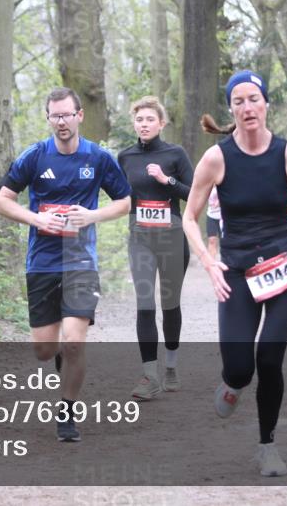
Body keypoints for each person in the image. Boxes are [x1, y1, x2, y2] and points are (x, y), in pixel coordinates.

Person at [182, 70, 287, 477]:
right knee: (241, 367)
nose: (247, 107)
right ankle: (231, 383)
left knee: (270, 359)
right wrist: (209, 263)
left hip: (285, 271)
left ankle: (267, 446)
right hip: (238, 273)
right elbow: (189, 217)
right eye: (239, 101)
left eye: (254, 99)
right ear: (232, 109)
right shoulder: (217, 158)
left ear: (266, 104)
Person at [0, 87, 132, 442]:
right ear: (48, 118)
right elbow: (2, 202)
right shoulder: (35, 157)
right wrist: (38, 220)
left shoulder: (98, 158)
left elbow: (126, 203)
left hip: (80, 260)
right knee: (44, 350)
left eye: (67, 114)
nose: (61, 122)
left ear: (79, 115)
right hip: (42, 261)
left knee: (74, 342)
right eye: (55, 116)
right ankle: (59, 360)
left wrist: (92, 216)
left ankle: (67, 412)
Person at [117, 97, 193, 400]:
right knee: (145, 302)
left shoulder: (175, 153)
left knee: (170, 304)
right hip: (140, 237)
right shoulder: (125, 157)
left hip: (172, 237)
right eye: (139, 120)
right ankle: (149, 376)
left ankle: (171, 367)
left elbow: (194, 192)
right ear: (134, 124)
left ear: (161, 123)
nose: (144, 124)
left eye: (150, 119)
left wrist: (167, 180)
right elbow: (117, 194)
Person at [206, 188, 221, 261]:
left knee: (224, 240)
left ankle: (226, 263)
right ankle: (212, 263)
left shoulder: (224, 181)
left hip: (223, 216)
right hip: (211, 215)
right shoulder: (207, 184)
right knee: (212, 240)